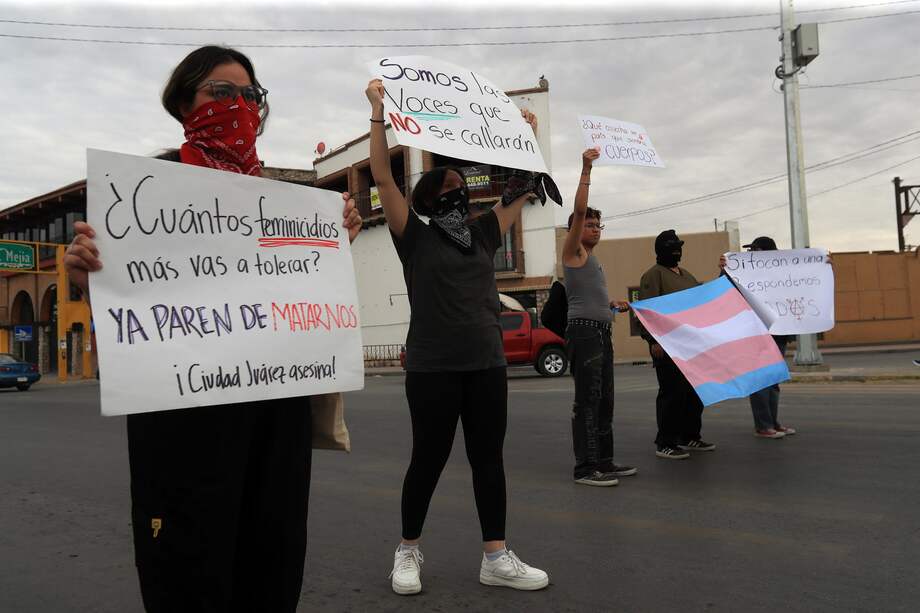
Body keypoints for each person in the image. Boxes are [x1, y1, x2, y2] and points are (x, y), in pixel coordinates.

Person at [64, 46, 363, 613]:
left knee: (272, 561)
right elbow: (135, 309)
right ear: (185, 103)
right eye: (221, 93)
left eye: (249, 95)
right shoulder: (145, 188)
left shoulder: (283, 202)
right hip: (184, 427)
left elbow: (296, 297)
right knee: (188, 569)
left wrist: (331, 245)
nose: (238, 105)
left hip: (275, 421)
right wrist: (89, 280)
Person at [366, 78, 549, 595]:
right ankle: (407, 551)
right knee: (428, 459)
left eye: (460, 186)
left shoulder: (486, 231)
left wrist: (525, 135)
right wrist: (378, 112)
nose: (457, 192)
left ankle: (496, 556)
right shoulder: (414, 236)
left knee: (489, 460)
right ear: (426, 200)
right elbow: (381, 175)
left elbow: (522, 184)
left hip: (487, 364)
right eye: (446, 188)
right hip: (433, 369)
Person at [561, 147, 636, 486]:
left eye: (597, 224)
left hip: (600, 333)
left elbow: (589, 297)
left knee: (605, 401)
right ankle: (585, 468)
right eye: (588, 224)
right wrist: (586, 168)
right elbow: (578, 210)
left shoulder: (592, 260)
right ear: (575, 230)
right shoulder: (573, 251)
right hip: (585, 333)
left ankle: (604, 462)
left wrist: (611, 305)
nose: (594, 229)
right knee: (588, 402)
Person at [639, 230, 716, 460]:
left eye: (679, 247)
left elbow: (700, 303)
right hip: (667, 346)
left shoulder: (687, 275)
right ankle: (665, 442)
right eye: (672, 247)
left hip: (691, 346)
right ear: (660, 251)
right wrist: (653, 340)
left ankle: (689, 435)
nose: (677, 251)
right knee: (672, 394)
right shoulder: (653, 276)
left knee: (694, 394)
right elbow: (646, 311)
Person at [724, 236, 797, 439]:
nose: (750, 254)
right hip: (754, 333)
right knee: (760, 381)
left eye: (755, 250)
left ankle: (772, 422)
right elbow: (725, 285)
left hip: (778, 333)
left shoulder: (782, 271)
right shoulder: (743, 271)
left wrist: (822, 265)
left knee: (773, 380)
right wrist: (725, 268)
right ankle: (763, 425)